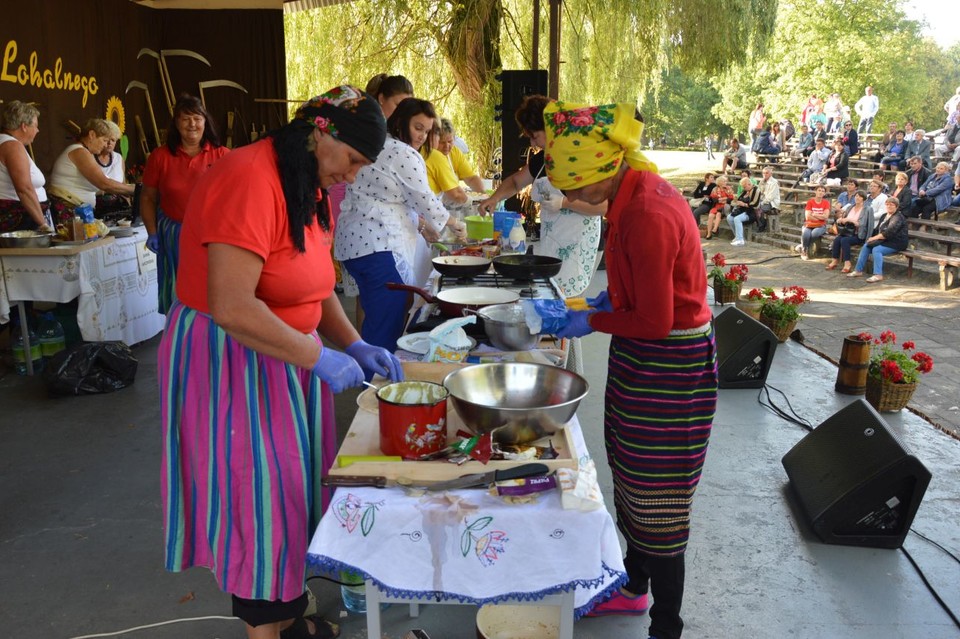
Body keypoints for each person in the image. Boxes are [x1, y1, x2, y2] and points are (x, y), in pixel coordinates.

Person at [160, 85, 404, 639]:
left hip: (287, 357)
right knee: (257, 499)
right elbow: (232, 305)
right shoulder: (248, 178)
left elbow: (312, 287)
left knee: (291, 494)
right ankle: (267, 631)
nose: (354, 175)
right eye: (354, 161)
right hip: (233, 360)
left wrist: (355, 343)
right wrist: (316, 355)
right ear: (324, 133)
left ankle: (291, 618)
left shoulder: (306, 179)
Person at [544, 99, 716, 639]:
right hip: (641, 355)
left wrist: (593, 322)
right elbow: (638, 294)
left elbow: (657, 320)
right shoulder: (629, 194)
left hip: (671, 365)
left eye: (573, 191)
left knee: (658, 493)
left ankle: (666, 623)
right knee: (627, 467)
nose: (568, 200)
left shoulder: (647, 213)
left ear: (601, 174)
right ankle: (633, 585)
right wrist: (598, 304)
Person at [335, 97, 457, 354]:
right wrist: (455, 224)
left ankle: (373, 379)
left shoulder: (379, 144)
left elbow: (395, 199)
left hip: (356, 245)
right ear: (401, 122)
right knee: (385, 326)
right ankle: (378, 387)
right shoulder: (402, 152)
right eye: (417, 127)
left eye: (427, 130)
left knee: (376, 319)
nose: (422, 136)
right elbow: (425, 199)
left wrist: (424, 225)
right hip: (377, 246)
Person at [478, 94, 605, 297]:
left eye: (535, 136)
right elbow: (515, 181)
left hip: (580, 243)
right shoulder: (543, 160)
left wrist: (564, 203)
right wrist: (494, 198)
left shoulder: (580, 158)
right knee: (550, 294)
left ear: (551, 128)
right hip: (553, 241)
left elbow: (603, 206)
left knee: (567, 302)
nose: (533, 143)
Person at [141, 94, 229, 314]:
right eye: (185, 119)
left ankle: (213, 334)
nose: (192, 124)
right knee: (177, 290)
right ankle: (179, 334)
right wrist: (152, 232)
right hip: (174, 234)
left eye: (197, 118)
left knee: (213, 290)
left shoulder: (222, 155)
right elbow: (148, 198)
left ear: (205, 122)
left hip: (212, 236)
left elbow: (235, 199)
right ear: (176, 124)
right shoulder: (159, 157)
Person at [49, 118, 136, 227]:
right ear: (92, 134)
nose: (105, 145)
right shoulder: (80, 152)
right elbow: (104, 183)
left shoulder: (83, 152)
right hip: (69, 213)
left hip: (78, 212)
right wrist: (136, 189)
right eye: (104, 140)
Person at [0, 100, 51, 233]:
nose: (38, 130)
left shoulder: (7, 142)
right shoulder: (12, 146)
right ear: (24, 126)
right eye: (35, 126)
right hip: (20, 221)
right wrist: (43, 224)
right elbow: (24, 189)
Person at [849, 197, 907, 282]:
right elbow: (877, 230)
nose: (889, 206)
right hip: (884, 240)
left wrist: (874, 238)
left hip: (897, 242)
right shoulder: (884, 215)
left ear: (896, 206)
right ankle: (858, 270)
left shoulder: (898, 217)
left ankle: (878, 274)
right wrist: (870, 238)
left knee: (876, 250)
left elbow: (888, 233)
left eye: (892, 205)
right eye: (887, 204)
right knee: (866, 246)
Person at [826, 189, 872, 273]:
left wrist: (851, 221)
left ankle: (847, 263)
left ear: (864, 198)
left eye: (859, 196)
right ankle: (834, 260)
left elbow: (865, 225)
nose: (857, 198)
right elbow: (844, 217)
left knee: (844, 240)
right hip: (847, 232)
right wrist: (841, 219)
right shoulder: (850, 207)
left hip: (859, 234)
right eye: (856, 196)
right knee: (837, 240)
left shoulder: (867, 209)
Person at [437, 118, 485, 193]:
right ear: (433, 140)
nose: (447, 146)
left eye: (450, 141)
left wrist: (483, 194)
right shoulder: (428, 156)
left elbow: (471, 178)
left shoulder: (455, 152)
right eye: (442, 142)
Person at [93, 119, 129, 217]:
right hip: (96, 207)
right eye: (106, 139)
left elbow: (123, 184)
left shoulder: (118, 158)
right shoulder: (90, 157)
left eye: (113, 140)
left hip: (119, 208)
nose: (109, 143)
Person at [797, 185, 830, 260]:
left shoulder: (826, 203)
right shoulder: (810, 202)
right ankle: (804, 251)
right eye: (819, 190)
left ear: (824, 193)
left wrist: (814, 214)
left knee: (814, 234)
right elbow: (808, 217)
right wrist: (820, 217)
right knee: (806, 234)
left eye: (823, 191)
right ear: (815, 191)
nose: (821, 192)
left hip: (821, 225)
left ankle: (802, 246)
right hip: (809, 224)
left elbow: (826, 217)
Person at [727, 177, 760, 246]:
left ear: (749, 184)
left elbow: (755, 204)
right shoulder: (745, 190)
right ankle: (737, 236)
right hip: (742, 210)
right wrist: (736, 200)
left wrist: (744, 204)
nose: (743, 188)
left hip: (751, 212)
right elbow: (739, 199)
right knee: (729, 218)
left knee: (737, 219)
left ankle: (740, 240)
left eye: (744, 187)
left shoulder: (756, 190)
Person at [705, 174, 734, 240]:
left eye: (725, 181)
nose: (725, 183)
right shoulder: (715, 189)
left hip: (724, 207)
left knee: (718, 214)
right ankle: (709, 234)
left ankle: (714, 230)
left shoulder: (728, 188)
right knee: (710, 216)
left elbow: (731, 198)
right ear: (720, 182)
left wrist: (723, 199)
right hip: (717, 205)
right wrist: (719, 200)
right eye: (724, 181)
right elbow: (713, 199)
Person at [757, 165, 780, 231]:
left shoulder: (774, 182)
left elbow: (770, 197)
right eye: (763, 173)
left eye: (767, 173)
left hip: (772, 203)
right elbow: (759, 192)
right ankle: (761, 223)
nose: (765, 174)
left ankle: (761, 225)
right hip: (763, 200)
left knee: (759, 207)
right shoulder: (762, 181)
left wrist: (761, 202)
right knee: (753, 206)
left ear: (771, 174)